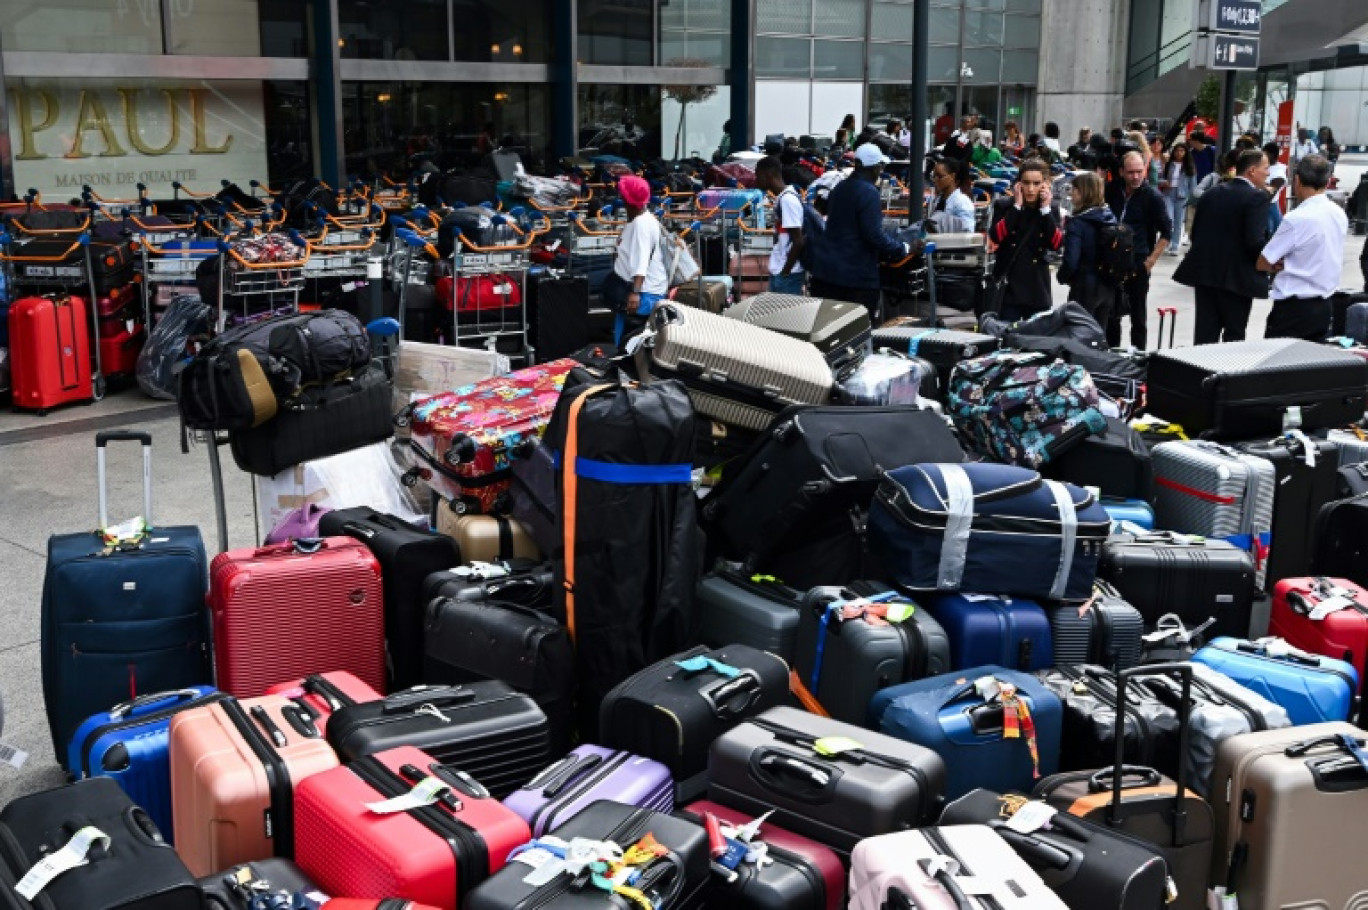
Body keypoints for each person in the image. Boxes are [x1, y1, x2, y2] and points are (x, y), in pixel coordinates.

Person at [1174, 148, 1272, 345]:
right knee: (1233, 338)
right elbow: (1254, 241)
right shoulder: (1257, 198)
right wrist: (1272, 261)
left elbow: (1195, 234)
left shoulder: (1212, 193)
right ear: (1252, 171)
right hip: (1237, 279)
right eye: (1265, 168)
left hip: (1206, 275)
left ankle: (1200, 374)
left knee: (1204, 337)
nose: (1268, 173)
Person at [808, 143, 911, 321]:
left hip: (826, 274)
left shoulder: (840, 188)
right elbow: (874, 236)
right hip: (855, 280)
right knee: (858, 334)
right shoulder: (868, 193)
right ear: (876, 168)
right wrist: (902, 248)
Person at [1257, 154, 1347, 342]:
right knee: (1309, 368)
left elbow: (1264, 261)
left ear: (1296, 180)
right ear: (1328, 181)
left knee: (1278, 367)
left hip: (1293, 310)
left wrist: (1276, 265)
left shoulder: (1296, 218)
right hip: (1324, 306)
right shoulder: (1338, 214)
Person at [1105, 149, 1172, 348]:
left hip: (1138, 262)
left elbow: (1167, 232)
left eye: (1139, 172)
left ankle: (1138, 357)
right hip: (1111, 261)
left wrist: (1150, 262)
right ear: (1121, 172)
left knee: (1138, 316)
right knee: (1111, 315)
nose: (1135, 176)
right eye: (1131, 172)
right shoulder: (1111, 190)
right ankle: (1112, 354)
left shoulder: (1152, 197)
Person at [986, 159, 1063, 322]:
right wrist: (1017, 206)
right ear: (1018, 184)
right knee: (1005, 336)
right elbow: (996, 237)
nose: (1030, 189)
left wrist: (1045, 210)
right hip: (1009, 285)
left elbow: (1056, 244)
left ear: (1045, 184)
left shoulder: (1049, 209)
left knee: (1036, 339)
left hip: (1037, 286)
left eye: (1036, 183)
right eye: (1026, 183)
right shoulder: (1005, 206)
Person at [609, 175, 667, 344]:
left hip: (642, 293)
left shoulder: (641, 224)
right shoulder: (639, 220)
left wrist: (635, 292)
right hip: (639, 290)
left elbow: (641, 260)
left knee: (630, 342)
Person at [1057, 171, 1119, 327]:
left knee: (1078, 334)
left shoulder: (1077, 223)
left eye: (1074, 189)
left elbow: (1071, 260)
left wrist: (1062, 276)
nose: (1071, 194)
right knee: (1098, 334)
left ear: (1082, 192)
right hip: (1107, 286)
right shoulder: (1110, 217)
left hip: (1084, 286)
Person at [755, 156, 806, 294]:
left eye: (758, 175)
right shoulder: (782, 198)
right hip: (781, 271)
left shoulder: (787, 200)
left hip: (787, 275)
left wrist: (785, 272)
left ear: (768, 175)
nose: (756, 180)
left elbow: (798, 241)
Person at [1160, 141, 1195, 253]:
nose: (1179, 153)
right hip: (1168, 193)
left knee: (1178, 221)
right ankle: (1166, 241)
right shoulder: (1168, 164)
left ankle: (1175, 245)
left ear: (1185, 152)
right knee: (1169, 218)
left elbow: (1193, 185)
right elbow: (1159, 178)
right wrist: (1164, 182)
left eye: (1182, 151)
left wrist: (1191, 198)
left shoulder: (1189, 167)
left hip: (1182, 195)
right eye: (1177, 150)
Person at [928, 155, 976, 233]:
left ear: (952, 176)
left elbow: (968, 233)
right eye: (934, 176)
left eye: (940, 176)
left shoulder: (962, 202)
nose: (935, 180)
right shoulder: (939, 199)